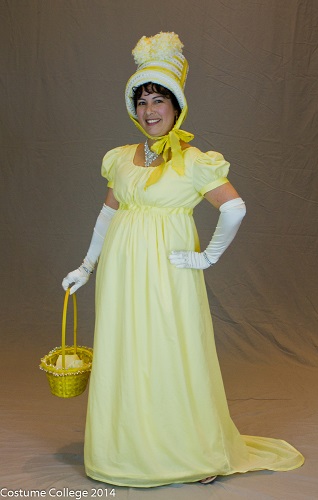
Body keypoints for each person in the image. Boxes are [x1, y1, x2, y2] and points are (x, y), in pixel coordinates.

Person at [62, 32, 304, 487]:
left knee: (173, 352)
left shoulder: (194, 160)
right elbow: (106, 214)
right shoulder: (120, 159)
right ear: (133, 108)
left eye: (160, 100)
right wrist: (87, 266)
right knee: (126, 352)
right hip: (121, 271)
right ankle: (126, 451)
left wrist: (207, 258)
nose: (150, 110)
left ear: (177, 107)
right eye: (143, 100)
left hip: (168, 273)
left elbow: (234, 207)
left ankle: (190, 452)